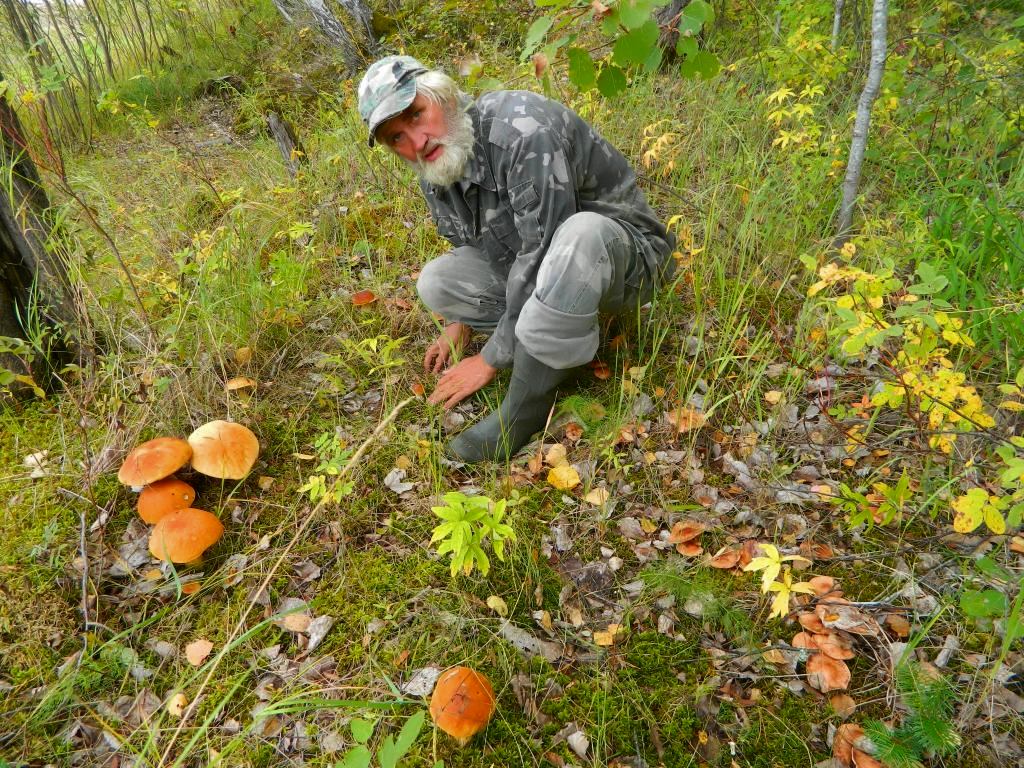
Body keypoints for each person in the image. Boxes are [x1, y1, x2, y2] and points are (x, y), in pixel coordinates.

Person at [357, 55, 675, 463]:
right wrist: (461, 324)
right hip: (551, 269)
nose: (416, 142)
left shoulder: (521, 130)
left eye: (417, 114)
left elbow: (544, 250)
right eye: (397, 138)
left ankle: (524, 408)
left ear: (445, 96)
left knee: (580, 234)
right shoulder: (435, 169)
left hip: (626, 260)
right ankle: (562, 340)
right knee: (438, 280)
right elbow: (476, 248)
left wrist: (490, 359)